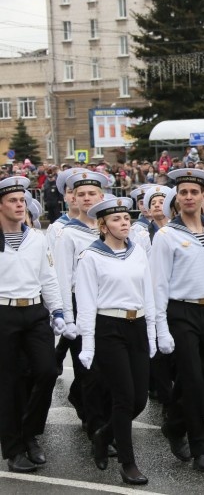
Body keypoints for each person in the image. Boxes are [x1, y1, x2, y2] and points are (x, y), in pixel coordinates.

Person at [150, 168, 204, 473]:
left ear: (203, 197)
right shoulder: (166, 236)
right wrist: (159, 327)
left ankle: (174, 423)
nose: (189, 197)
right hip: (180, 312)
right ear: (177, 198)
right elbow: (158, 284)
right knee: (195, 381)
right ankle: (202, 447)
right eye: (183, 193)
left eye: (194, 192)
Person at [74, 196, 155, 485]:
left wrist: (153, 331)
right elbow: (85, 302)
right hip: (109, 327)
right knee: (123, 398)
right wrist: (87, 343)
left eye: (126, 218)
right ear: (103, 225)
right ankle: (128, 462)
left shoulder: (138, 252)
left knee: (139, 399)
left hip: (138, 323)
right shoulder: (90, 256)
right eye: (117, 219)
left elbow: (149, 292)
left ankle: (104, 434)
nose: (124, 223)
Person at [0, 176, 64, 474]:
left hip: (35, 311)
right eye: (12, 200)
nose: (19, 205)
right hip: (4, 314)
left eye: (22, 201)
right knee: (9, 383)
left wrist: (58, 310)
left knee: (47, 371)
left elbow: (48, 277)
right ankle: (14, 449)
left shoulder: (37, 238)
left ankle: (30, 432)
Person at [53, 170, 112, 441]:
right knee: (88, 369)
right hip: (79, 302)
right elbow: (63, 278)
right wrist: (67, 316)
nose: (87, 198)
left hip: (108, 302)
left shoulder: (109, 228)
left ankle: (93, 409)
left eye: (92, 194)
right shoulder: (68, 234)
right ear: (73, 199)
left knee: (108, 367)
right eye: (81, 195)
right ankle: (95, 425)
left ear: (102, 197)